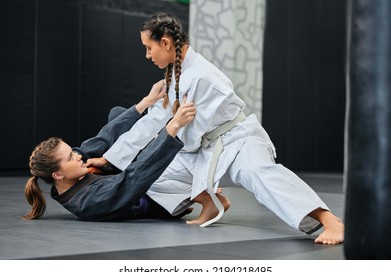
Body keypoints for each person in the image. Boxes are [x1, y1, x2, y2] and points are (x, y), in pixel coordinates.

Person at [88, 12, 344, 244]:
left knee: (257, 173)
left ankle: (329, 221)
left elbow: (181, 135)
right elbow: (151, 123)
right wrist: (111, 160)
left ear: (165, 42)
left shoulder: (201, 76)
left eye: (148, 47)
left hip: (237, 140)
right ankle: (208, 201)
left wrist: (164, 134)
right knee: (150, 170)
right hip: (204, 148)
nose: (147, 55)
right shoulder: (176, 75)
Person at [23, 80, 204, 221]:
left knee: (116, 113)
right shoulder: (89, 201)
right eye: (71, 157)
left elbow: (101, 140)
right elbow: (136, 177)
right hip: (149, 194)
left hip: (121, 175)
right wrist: (173, 128)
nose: (78, 156)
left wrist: (147, 102)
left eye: (73, 152)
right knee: (159, 156)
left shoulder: (71, 172)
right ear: (57, 175)